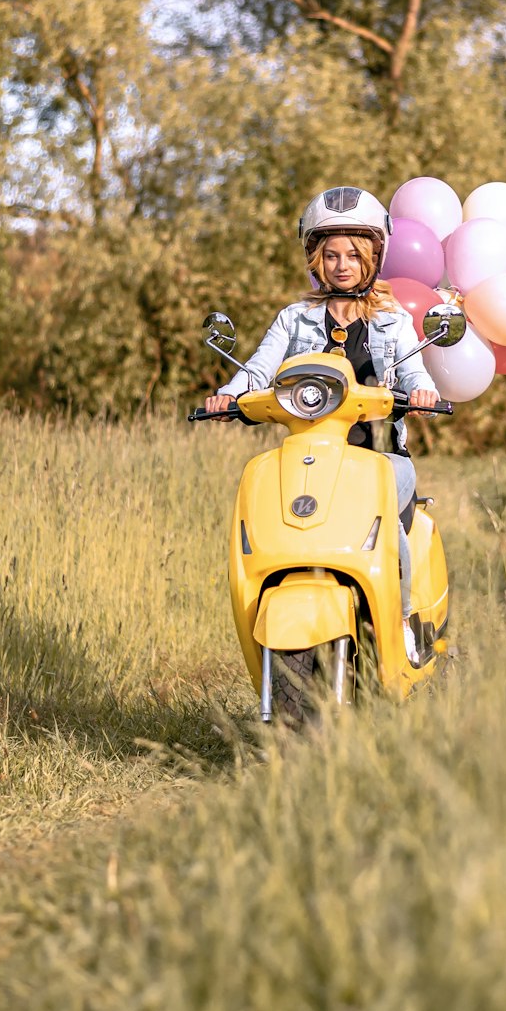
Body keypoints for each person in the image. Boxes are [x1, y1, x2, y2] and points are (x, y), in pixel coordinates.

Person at [203, 186, 440, 664]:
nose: (342, 265)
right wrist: (229, 394)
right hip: (310, 455)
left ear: (375, 255)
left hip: (379, 457)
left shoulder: (392, 320)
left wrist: (422, 391)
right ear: (314, 258)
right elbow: (258, 367)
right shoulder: (295, 319)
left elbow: (414, 370)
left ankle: (400, 618)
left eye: (354, 253)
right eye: (330, 254)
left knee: (388, 521)